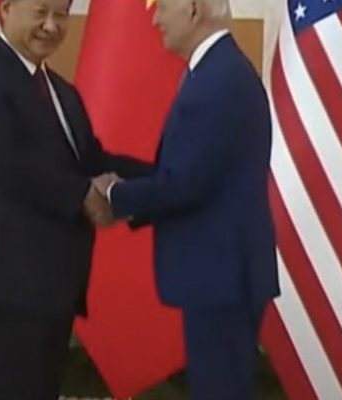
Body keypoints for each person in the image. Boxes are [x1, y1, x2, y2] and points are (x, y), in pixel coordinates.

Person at [0, 0, 151, 398]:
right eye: (40, 12)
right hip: (4, 288)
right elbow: (2, 161)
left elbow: (92, 161)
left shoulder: (63, 93)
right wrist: (82, 195)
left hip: (52, 290)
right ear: (7, 8)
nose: (51, 25)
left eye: (60, 14)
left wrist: (167, 177)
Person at [92, 0, 279, 398]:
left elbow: (185, 183)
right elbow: (189, 171)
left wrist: (114, 194)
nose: (155, 18)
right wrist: (109, 166)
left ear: (194, 9)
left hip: (220, 277)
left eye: (161, 7)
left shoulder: (218, 79)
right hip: (223, 274)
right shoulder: (217, 71)